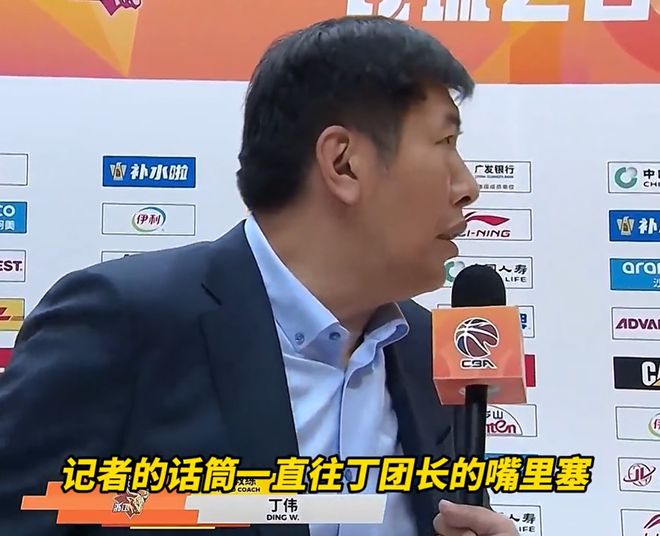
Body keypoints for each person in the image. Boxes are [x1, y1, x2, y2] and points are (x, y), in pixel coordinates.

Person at [0, 15, 518, 536]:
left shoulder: (429, 351)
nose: (468, 187)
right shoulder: (121, 321)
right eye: (445, 143)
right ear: (343, 164)